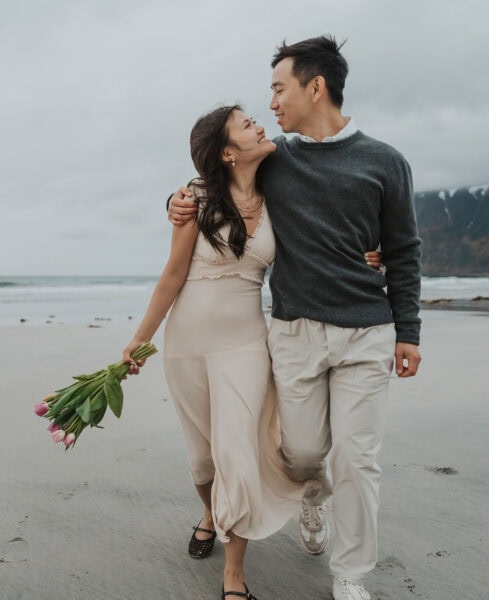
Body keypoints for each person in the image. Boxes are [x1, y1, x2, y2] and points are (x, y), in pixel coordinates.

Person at [167, 36, 422, 600]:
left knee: (359, 459)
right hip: (295, 330)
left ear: (315, 86)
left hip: (367, 329)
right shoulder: (276, 157)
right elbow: (218, 184)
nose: (273, 105)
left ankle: (351, 575)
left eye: (279, 90)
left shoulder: (385, 161)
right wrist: (176, 200)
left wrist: (409, 331)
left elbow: (403, 249)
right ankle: (312, 491)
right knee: (302, 454)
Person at [123, 104, 383, 600]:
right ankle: (209, 510)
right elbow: (173, 273)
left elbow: (319, 243)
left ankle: (234, 575)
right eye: (246, 125)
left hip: (245, 344)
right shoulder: (195, 199)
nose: (260, 124)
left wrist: (364, 256)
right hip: (187, 344)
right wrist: (141, 337)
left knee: (236, 456)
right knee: (203, 461)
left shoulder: (279, 194)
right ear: (225, 151)